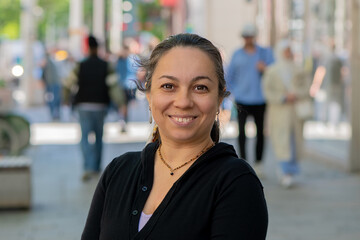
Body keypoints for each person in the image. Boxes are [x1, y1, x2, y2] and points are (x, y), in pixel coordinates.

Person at [81, 33, 268, 239]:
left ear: (219, 98)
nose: (183, 102)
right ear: (150, 96)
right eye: (168, 86)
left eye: (200, 88)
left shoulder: (236, 183)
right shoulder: (118, 172)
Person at [63, 35, 124, 181]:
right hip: (100, 105)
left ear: (87, 48)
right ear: (98, 48)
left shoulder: (80, 65)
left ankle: (88, 167)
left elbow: (68, 83)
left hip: (83, 105)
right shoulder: (106, 65)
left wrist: (65, 98)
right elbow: (114, 86)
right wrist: (121, 103)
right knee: (98, 137)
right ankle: (96, 167)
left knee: (84, 137)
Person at [226, 23, 274, 176]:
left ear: (255, 37)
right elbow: (230, 76)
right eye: (246, 36)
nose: (248, 39)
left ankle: (259, 162)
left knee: (260, 132)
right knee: (241, 132)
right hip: (242, 99)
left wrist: (265, 69)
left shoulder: (265, 53)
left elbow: (274, 74)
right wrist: (234, 92)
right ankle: (244, 162)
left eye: (250, 36)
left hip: (260, 99)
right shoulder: (237, 54)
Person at [262, 40, 311, 188]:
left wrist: (297, 94)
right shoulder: (272, 71)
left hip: (295, 112)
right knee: (282, 141)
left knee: (294, 141)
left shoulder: (298, 69)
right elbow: (267, 91)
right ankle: (284, 171)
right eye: (286, 50)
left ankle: (290, 171)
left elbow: (306, 87)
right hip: (280, 112)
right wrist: (282, 98)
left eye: (290, 50)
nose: (289, 53)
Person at [41, 51, 62, 120]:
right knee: (53, 99)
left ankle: (55, 113)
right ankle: (54, 113)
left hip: (53, 83)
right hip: (52, 83)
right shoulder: (50, 62)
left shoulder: (51, 62)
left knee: (54, 99)